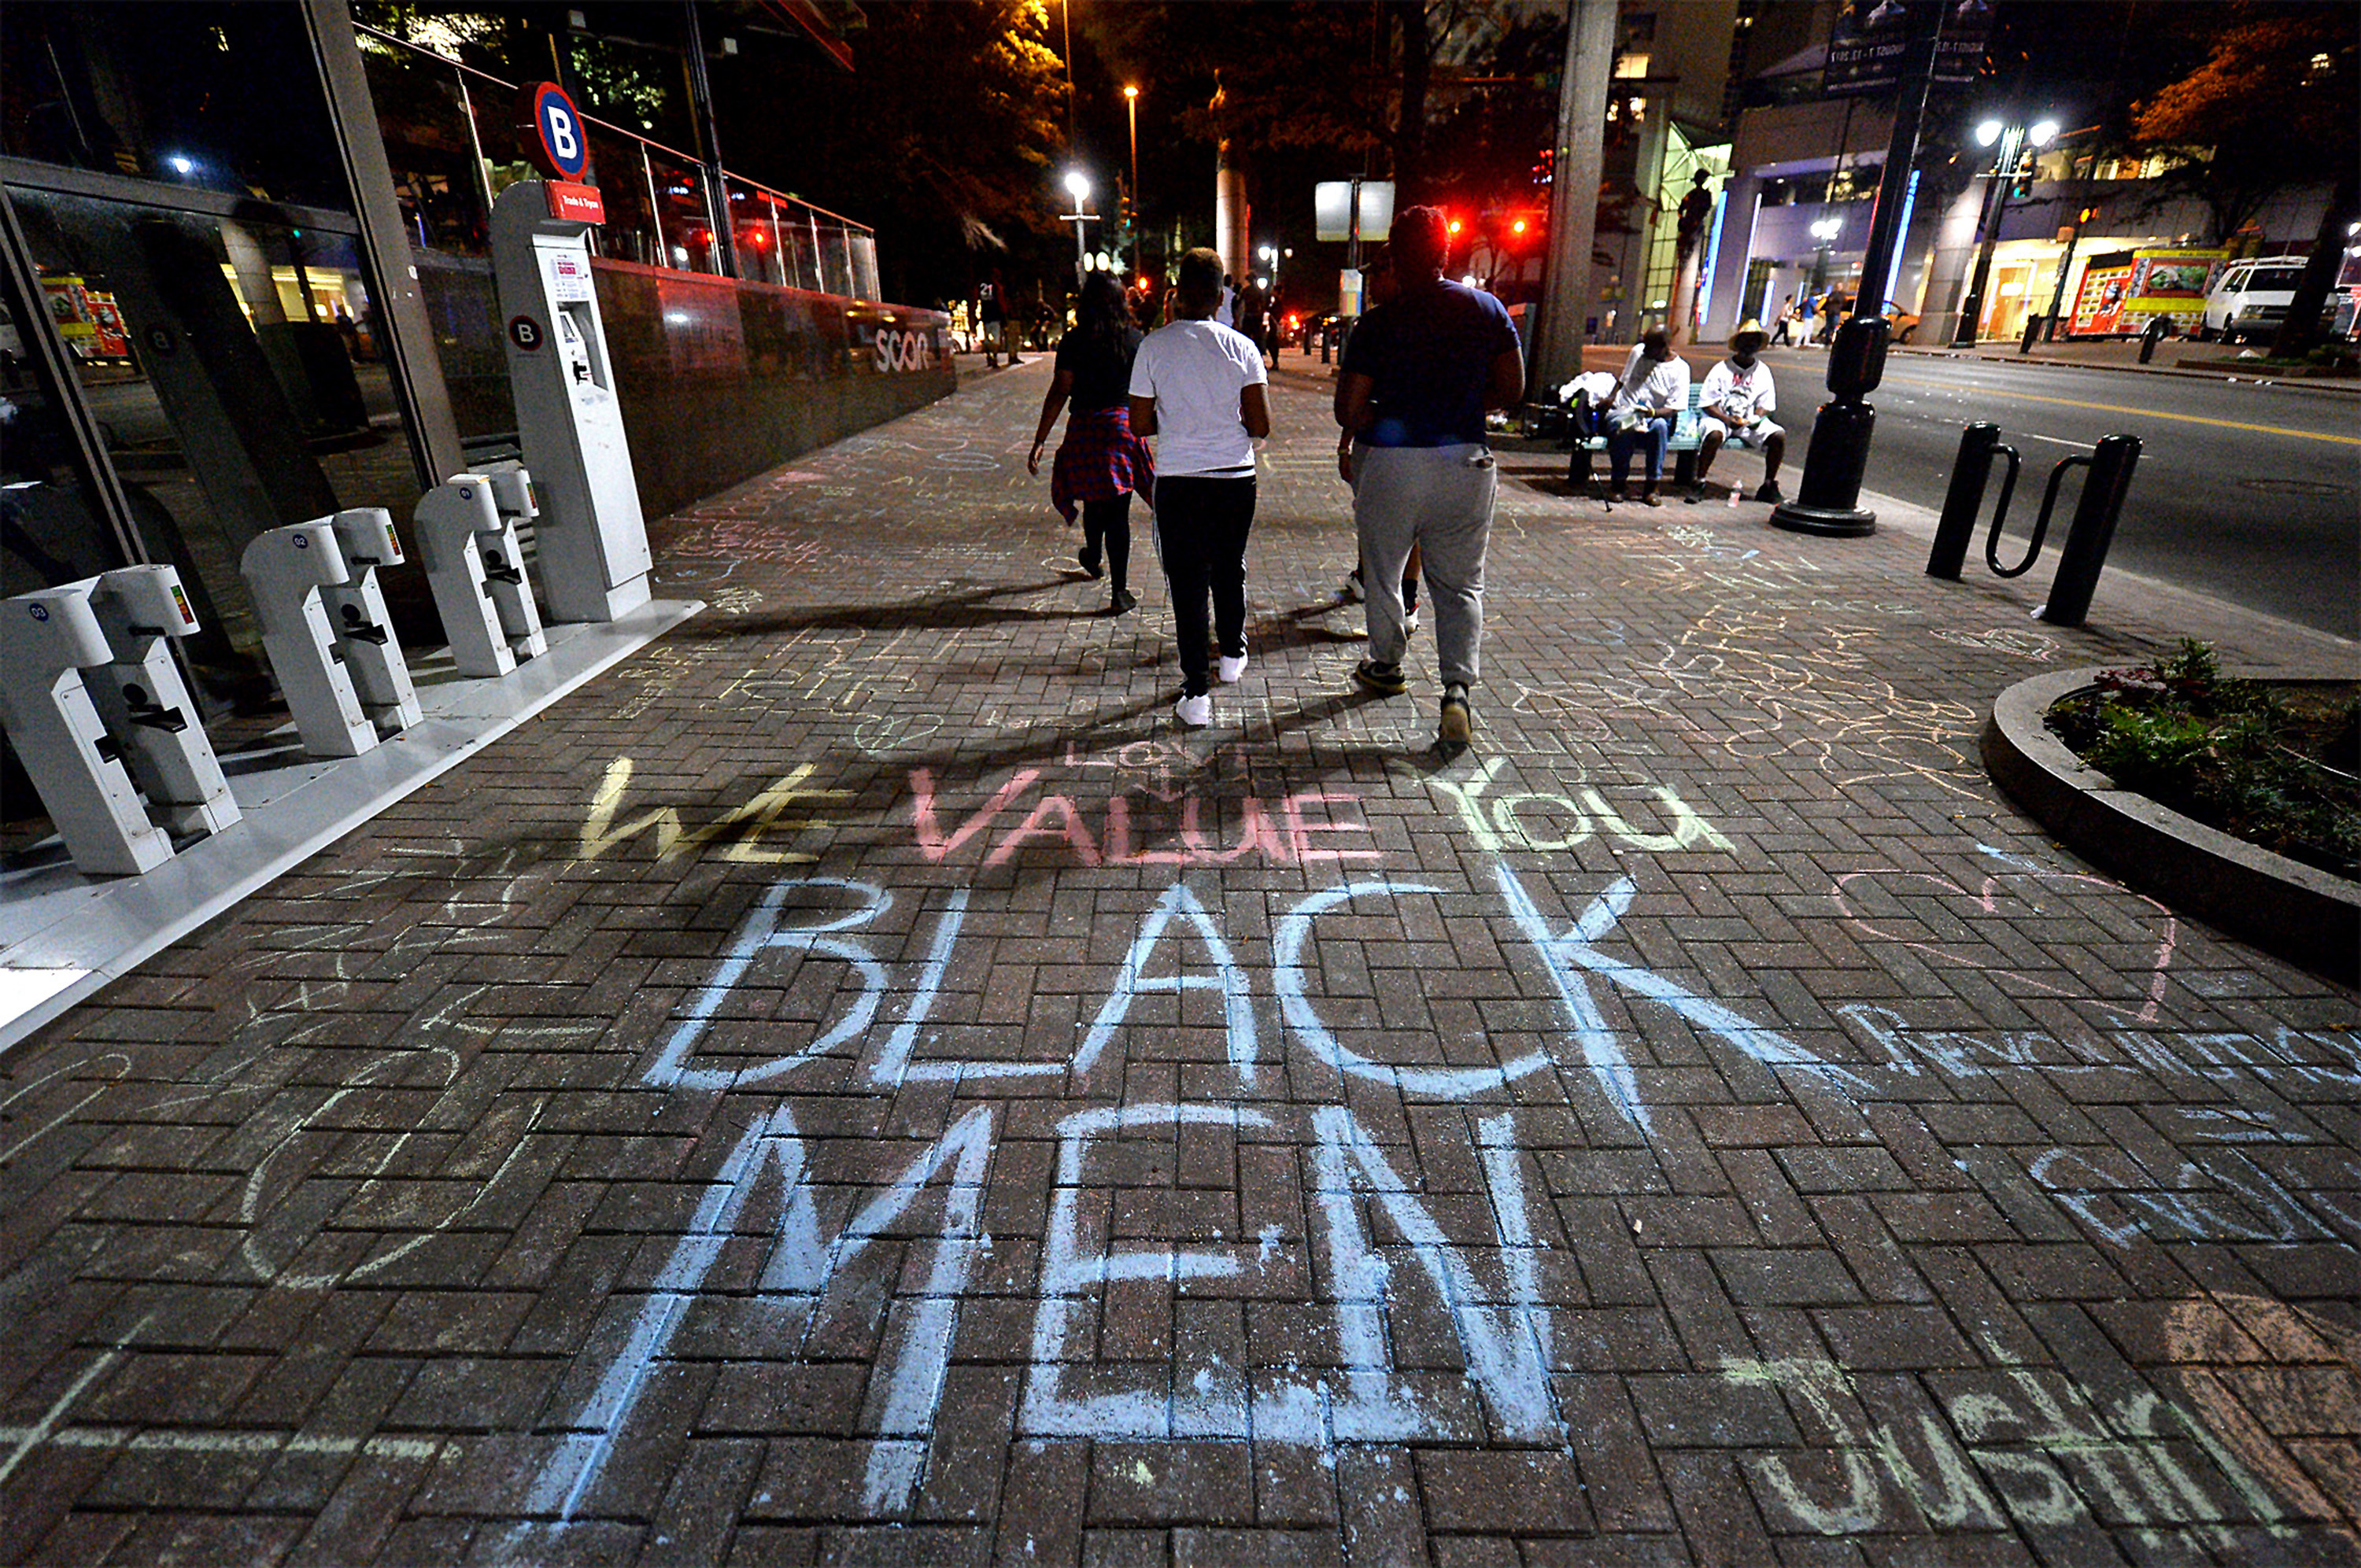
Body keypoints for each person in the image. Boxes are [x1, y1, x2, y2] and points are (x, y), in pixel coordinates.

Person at [1336, 205, 1524, 751]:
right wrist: (1461, 407)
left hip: (1393, 463)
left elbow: (1349, 407)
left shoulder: (1378, 321)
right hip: (1467, 460)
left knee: (1385, 571)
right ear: (1446, 253)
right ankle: (1458, 689)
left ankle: (1388, 664)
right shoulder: (1488, 309)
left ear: (1396, 255)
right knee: (1462, 583)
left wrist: (1382, 417)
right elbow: (1512, 388)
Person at [1129, 247, 1271, 729]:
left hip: (1180, 480)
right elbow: (1261, 425)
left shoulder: (1153, 346)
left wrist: (1178, 418)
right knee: (1229, 565)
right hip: (1235, 476)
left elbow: (1139, 422)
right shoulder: (1242, 347)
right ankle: (1231, 655)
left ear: (1176, 294)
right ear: (1218, 296)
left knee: (1188, 583)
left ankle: (1196, 694)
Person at [1029, 273, 1154, 615]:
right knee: (1118, 513)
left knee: (1093, 500)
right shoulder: (1136, 340)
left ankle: (1093, 554)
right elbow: (1147, 393)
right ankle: (1119, 591)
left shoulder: (1073, 341)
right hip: (1121, 430)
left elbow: (1060, 391)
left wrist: (1040, 439)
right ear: (1120, 303)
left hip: (1084, 428)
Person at [1692, 319, 1786, 504]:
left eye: (1754, 341)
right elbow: (1708, 404)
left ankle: (1768, 485)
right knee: (1714, 434)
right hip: (1720, 417)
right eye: (1746, 340)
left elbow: (1765, 404)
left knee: (1778, 436)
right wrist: (1727, 420)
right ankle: (1699, 482)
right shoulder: (1721, 369)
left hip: (1747, 421)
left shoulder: (1763, 372)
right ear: (1738, 344)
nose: (1750, 345)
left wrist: (1757, 419)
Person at [1603, 328, 1689, 506]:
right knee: (1624, 426)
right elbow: (1623, 380)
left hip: (1655, 415)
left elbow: (1674, 408)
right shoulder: (1638, 353)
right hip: (1628, 412)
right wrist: (1611, 399)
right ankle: (1618, 483)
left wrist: (1651, 413)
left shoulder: (1680, 368)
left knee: (1660, 427)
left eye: (1650, 347)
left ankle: (1652, 486)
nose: (1645, 350)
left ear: (1664, 347)